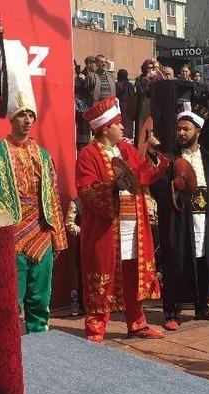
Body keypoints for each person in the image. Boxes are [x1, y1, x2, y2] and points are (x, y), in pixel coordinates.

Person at [0, 80, 66, 333]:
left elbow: (52, 196)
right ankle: (8, 347)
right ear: (11, 118)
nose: (27, 120)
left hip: (42, 231)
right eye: (22, 115)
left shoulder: (43, 155)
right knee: (11, 297)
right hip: (10, 231)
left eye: (31, 115)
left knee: (40, 298)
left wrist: (57, 236)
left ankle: (41, 343)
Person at [76, 96, 169, 343]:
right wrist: (113, 187)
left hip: (134, 227)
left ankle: (137, 323)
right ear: (105, 128)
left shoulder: (127, 150)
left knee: (133, 274)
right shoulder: (88, 154)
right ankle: (96, 329)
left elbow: (146, 175)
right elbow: (85, 190)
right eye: (118, 124)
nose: (122, 128)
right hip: (106, 230)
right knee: (102, 276)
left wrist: (151, 152)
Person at [151, 106, 209, 330]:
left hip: (204, 218)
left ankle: (204, 307)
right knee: (176, 261)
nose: (181, 133)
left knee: (205, 261)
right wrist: (173, 187)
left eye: (186, 129)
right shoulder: (170, 158)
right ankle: (172, 312)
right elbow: (158, 187)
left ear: (198, 132)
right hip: (179, 219)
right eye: (179, 129)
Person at [134, 59, 158, 141]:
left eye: (152, 67)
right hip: (143, 107)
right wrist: (146, 79)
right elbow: (140, 91)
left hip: (154, 106)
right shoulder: (139, 79)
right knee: (141, 130)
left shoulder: (156, 79)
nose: (150, 70)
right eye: (148, 67)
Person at [116, 69, 136, 137]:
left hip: (121, 107)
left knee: (122, 124)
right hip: (130, 107)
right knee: (128, 125)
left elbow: (116, 95)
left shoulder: (118, 84)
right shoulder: (130, 85)